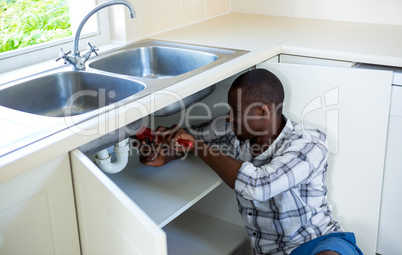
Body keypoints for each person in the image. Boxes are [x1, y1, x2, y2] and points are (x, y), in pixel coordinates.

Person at [137, 69, 363, 255]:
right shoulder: (232, 129)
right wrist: (163, 152)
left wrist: (195, 145)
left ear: (263, 111)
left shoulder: (309, 144)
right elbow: (188, 138)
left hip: (317, 243)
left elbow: (258, 186)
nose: (228, 117)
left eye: (235, 111)